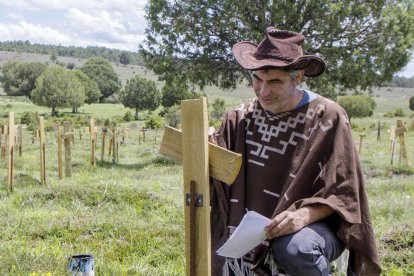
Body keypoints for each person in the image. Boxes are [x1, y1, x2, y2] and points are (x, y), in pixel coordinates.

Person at [210, 27, 381, 276]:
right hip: (249, 233)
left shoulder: (328, 116)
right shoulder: (240, 118)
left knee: (296, 248)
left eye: (275, 81)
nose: (263, 91)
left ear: (298, 77)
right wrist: (203, 143)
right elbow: (215, 167)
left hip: (316, 225)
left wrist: (303, 215)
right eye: (257, 79)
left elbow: (343, 192)